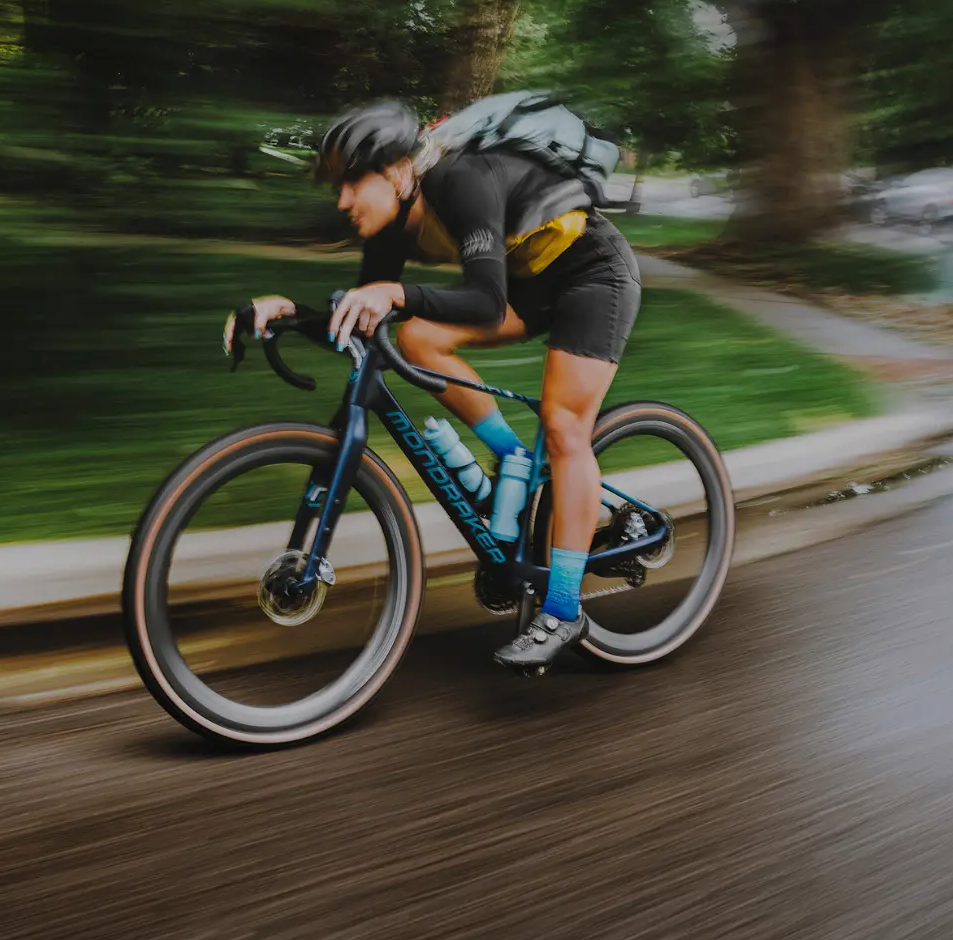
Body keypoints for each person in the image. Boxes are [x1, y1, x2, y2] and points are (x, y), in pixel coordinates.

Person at [224, 101, 642, 671]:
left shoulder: (461, 181)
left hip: (592, 275)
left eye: (352, 183)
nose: (343, 201)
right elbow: (362, 319)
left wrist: (394, 296)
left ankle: (564, 608)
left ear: (398, 172)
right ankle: (513, 462)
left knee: (565, 424)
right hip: (531, 283)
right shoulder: (390, 226)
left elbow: (486, 303)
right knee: (416, 338)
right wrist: (288, 313)